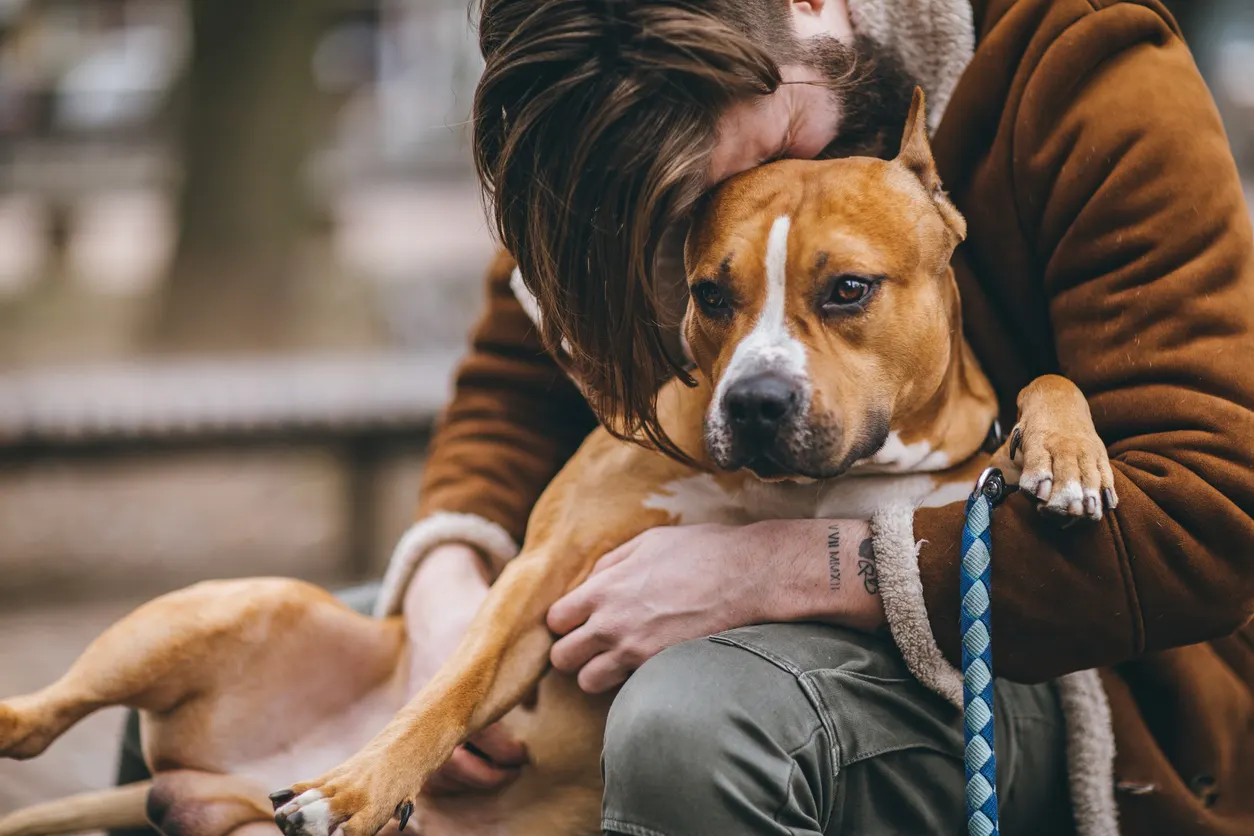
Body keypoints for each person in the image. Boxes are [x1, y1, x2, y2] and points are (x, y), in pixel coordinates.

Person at [114, 0, 1254, 834]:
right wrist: (449, 596)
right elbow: (513, 387)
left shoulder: (1083, 67)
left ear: (810, 9)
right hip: (692, 563)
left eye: (761, 156)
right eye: (691, 218)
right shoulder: (653, 137)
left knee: (693, 718)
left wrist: (782, 568)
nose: (739, 207)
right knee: (232, 680)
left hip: (1069, 670)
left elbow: (1213, 523)